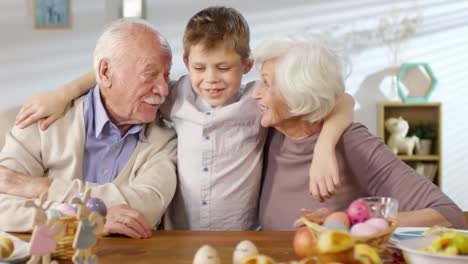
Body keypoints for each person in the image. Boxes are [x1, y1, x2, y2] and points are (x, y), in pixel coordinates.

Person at [13, 7, 354, 230]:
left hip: (238, 232)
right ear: (188, 66)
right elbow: (114, 75)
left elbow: (339, 99)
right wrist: (63, 92)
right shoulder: (175, 96)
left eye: (224, 68)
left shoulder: (254, 102)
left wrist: (324, 148)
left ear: (246, 67)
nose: (211, 79)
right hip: (175, 236)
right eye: (200, 69)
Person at [252, 34, 466, 230]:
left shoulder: (353, 142)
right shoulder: (268, 130)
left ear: (299, 94)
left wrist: (349, 221)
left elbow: (450, 215)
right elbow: (344, 99)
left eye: (266, 83)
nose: (255, 93)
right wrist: (323, 147)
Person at [0, 18, 178, 238]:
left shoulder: (165, 139)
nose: (163, 89)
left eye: (166, 76)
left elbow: (145, 208)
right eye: (150, 75)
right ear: (105, 73)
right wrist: (83, 220)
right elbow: (3, 206)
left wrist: (41, 188)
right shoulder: (42, 120)